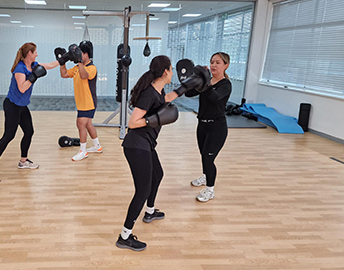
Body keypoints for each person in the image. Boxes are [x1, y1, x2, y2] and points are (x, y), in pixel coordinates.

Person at [116, 55, 183, 251]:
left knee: (158, 174)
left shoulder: (157, 90)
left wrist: (184, 88)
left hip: (146, 143)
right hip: (137, 145)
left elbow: (166, 98)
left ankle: (150, 211)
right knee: (142, 190)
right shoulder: (149, 94)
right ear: (165, 72)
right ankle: (125, 236)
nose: (172, 73)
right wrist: (152, 120)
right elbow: (133, 122)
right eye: (171, 69)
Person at [0, 42, 59, 184]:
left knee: (29, 131)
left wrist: (63, 59)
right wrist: (34, 76)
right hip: (12, 105)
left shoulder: (34, 65)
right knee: (8, 135)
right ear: (29, 53)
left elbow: (49, 65)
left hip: (22, 106)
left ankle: (23, 161)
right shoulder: (20, 69)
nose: (37, 54)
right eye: (35, 52)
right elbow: (22, 88)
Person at [186, 52, 232, 202]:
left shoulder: (225, 85)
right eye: (212, 62)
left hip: (216, 128)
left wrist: (205, 81)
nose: (213, 65)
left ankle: (210, 190)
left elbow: (214, 97)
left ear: (226, 65)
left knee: (208, 158)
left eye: (218, 62)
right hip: (202, 126)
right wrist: (195, 78)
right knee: (203, 155)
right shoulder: (207, 81)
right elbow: (189, 93)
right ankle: (206, 176)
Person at [58, 41, 102, 161]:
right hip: (82, 102)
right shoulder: (77, 68)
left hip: (88, 102)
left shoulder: (92, 68)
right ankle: (97, 146)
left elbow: (84, 76)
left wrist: (79, 61)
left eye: (80, 53)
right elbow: (64, 74)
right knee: (88, 124)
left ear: (86, 54)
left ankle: (83, 151)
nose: (78, 55)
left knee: (80, 124)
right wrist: (62, 62)